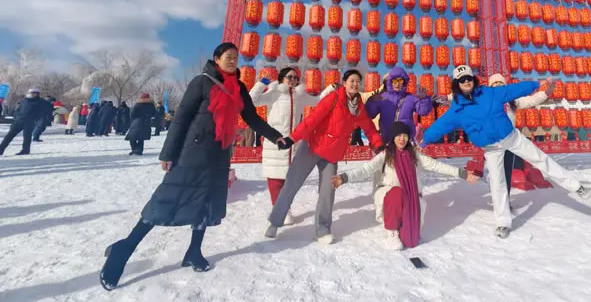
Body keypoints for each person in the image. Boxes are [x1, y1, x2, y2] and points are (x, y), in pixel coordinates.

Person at [100, 43, 284, 291]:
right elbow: (182, 118)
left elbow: (251, 117)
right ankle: (124, 249)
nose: (233, 61)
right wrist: (168, 153)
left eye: (235, 58)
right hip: (192, 152)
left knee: (205, 203)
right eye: (228, 57)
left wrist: (276, 137)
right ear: (216, 59)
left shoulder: (239, 87)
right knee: (166, 201)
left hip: (219, 153)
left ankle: (193, 251)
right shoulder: (202, 82)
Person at [422, 65, 590, 239]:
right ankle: (503, 222)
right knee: (497, 183)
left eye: (468, 78)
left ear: (473, 79)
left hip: (511, 138)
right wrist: (425, 140)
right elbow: (440, 126)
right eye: (462, 80)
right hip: (491, 149)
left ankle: (575, 186)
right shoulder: (457, 109)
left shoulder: (489, 93)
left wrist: (537, 84)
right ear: (456, 84)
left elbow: (514, 89)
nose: (466, 82)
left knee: (541, 159)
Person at [264, 69, 385, 244]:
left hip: (332, 154)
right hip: (312, 148)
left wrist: (378, 144)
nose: (355, 84)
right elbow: (312, 120)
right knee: (292, 184)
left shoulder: (358, 107)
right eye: (351, 80)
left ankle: (322, 229)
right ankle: (275, 222)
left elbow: (369, 128)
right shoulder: (333, 98)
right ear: (344, 83)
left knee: (328, 192)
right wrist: (292, 138)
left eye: (358, 81)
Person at [332, 121, 478, 250]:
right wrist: (344, 178)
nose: (402, 139)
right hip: (389, 194)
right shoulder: (386, 154)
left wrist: (463, 174)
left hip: (411, 197)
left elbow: (437, 166)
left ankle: (405, 226)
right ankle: (391, 232)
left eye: (405, 136)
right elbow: (365, 170)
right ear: (393, 137)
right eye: (398, 135)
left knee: (410, 239)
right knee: (397, 192)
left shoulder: (414, 154)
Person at [249, 67, 335, 225]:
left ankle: (285, 207)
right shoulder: (274, 93)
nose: (293, 80)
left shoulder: (300, 95)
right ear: (282, 78)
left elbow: (317, 101)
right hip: (275, 142)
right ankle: (280, 210)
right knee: (275, 179)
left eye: (296, 78)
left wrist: (330, 88)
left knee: (289, 179)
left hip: (293, 142)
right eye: (290, 77)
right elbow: (252, 100)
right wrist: (262, 83)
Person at [486, 74, 554, 203]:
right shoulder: (486, 102)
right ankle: (498, 202)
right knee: (496, 175)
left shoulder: (512, 101)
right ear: (490, 86)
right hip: (493, 143)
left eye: (500, 83)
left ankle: (506, 201)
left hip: (509, 141)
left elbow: (530, 100)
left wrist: (545, 93)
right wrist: (449, 97)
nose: (498, 85)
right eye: (495, 83)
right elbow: (466, 101)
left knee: (507, 172)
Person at [365, 66, 432, 142]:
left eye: (400, 81)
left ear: (404, 82)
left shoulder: (411, 98)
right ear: (390, 81)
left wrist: (424, 99)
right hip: (387, 139)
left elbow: (423, 111)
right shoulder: (382, 97)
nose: (397, 84)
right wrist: (372, 101)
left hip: (405, 140)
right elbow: (370, 114)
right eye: (394, 81)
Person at [0, 88, 52, 156]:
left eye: (34, 93)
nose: (32, 94)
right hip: (19, 120)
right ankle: (1, 150)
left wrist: (38, 117)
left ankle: (25, 150)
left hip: (30, 121)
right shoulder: (25, 100)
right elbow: (18, 109)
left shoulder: (42, 102)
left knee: (27, 136)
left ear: (37, 94)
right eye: (31, 93)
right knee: (9, 135)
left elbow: (48, 109)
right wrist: (16, 116)